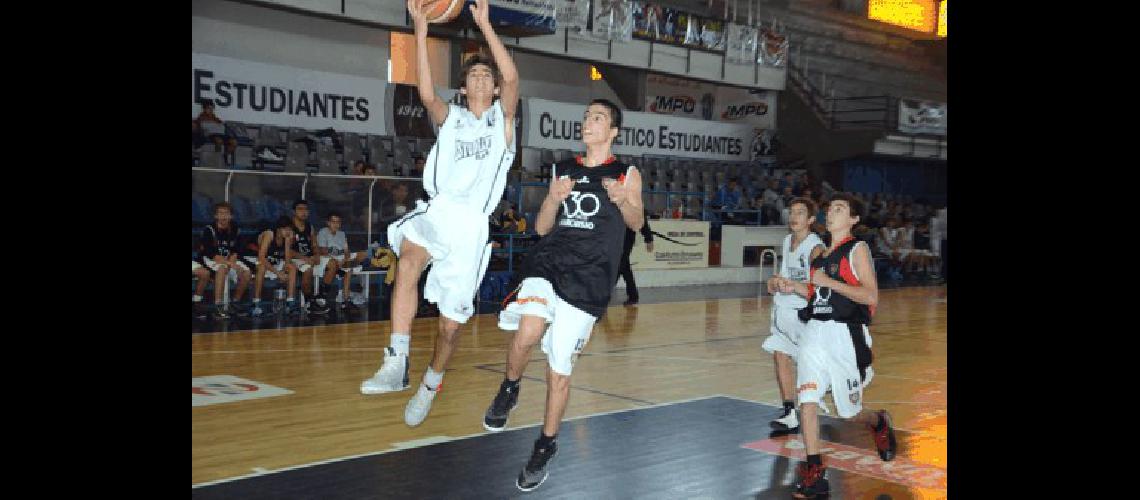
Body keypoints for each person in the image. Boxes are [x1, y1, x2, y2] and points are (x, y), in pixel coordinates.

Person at [359, 0, 520, 429]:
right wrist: (421, 28)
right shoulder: (451, 120)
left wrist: (485, 25)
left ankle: (431, 382)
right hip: (440, 208)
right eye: (473, 75)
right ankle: (397, 359)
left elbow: (513, 76)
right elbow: (427, 92)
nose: (482, 78)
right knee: (409, 258)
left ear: (496, 88)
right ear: (465, 89)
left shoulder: (504, 124)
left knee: (450, 328)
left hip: (471, 226)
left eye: (487, 75)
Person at [482, 99, 644, 492]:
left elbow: (637, 223)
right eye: (586, 115)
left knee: (559, 373)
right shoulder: (564, 169)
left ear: (614, 132)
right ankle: (509, 387)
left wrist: (623, 201)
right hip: (549, 264)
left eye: (598, 117)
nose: (588, 121)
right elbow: (540, 228)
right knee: (528, 330)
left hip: (588, 280)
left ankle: (545, 445)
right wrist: (553, 198)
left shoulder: (626, 174)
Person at [771, 193, 897, 499]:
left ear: (853, 219)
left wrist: (830, 283)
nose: (831, 212)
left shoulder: (858, 249)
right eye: (830, 208)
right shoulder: (820, 257)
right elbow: (817, 296)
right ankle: (814, 472)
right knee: (808, 401)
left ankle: (877, 421)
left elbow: (870, 297)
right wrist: (792, 286)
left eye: (839, 209)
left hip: (846, 336)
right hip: (815, 332)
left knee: (848, 411)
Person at [763, 197, 825, 432]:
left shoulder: (815, 248)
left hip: (804, 314)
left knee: (811, 364)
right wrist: (775, 281)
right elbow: (784, 273)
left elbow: (821, 288)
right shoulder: (787, 239)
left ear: (810, 219)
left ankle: (826, 390)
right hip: (783, 310)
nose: (794, 216)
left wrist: (795, 287)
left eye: (800, 212)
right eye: (792, 212)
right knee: (780, 356)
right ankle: (789, 412)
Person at [195, 202, 252, 318]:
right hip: (210, 260)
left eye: (226, 213)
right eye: (220, 213)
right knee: (222, 268)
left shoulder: (235, 229)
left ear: (231, 216)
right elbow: (211, 254)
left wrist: (233, 263)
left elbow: (236, 250)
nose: (223, 216)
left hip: (228, 259)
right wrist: (230, 264)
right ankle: (218, 306)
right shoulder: (209, 230)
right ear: (215, 216)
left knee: (246, 273)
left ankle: (235, 303)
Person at [243, 217, 302, 317]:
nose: (288, 232)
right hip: (253, 258)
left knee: (292, 267)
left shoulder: (287, 237)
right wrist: (278, 273)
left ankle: (290, 303)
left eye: (290, 229)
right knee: (261, 267)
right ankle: (256, 304)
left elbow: (287, 259)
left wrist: (283, 271)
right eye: (286, 229)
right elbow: (261, 257)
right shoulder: (269, 235)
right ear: (279, 229)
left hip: (272, 259)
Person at [316, 212, 369, 310]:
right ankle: (343, 270)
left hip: (341, 259)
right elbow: (323, 251)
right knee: (346, 269)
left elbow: (346, 250)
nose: (336, 224)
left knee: (363, 254)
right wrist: (339, 259)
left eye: (338, 222)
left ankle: (346, 301)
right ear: (328, 223)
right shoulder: (323, 232)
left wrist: (345, 258)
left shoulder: (342, 233)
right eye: (333, 221)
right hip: (327, 258)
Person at [290, 200, 329, 314]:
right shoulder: (289, 227)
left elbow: (314, 244)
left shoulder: (309, 227)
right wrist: (305, 258)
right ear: (294, 211)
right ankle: (309, 302)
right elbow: (287, 250)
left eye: (306, 209)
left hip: (310, 257)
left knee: (332, 263)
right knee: (308, 269)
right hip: (295, 258)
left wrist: (316, 254)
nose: (303, 212)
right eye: (300, 209)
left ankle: (321, 295)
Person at [617, 209, 653, 306]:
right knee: (624, 266)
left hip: (627, 236)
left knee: (620, 264)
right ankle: (633, 296)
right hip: (614, 235)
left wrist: (648, 238)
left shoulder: (631, 198)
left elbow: (640, 217)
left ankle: (604, 295)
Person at [193, 100, 237, 166]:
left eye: (212, 108)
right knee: (219, 141)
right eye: (209, 108)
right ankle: (217, 160)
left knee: (234, 142)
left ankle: (224, 156)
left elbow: (222, 125)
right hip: (212, 135)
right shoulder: (201, 118)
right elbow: (200, 129)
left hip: (222, 134)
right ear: (204, 109)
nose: (211, 110)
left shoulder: (215, 117)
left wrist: (222, 124)